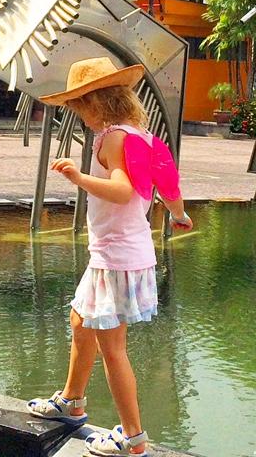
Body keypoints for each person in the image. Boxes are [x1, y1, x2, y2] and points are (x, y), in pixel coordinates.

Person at [26, 57, 193, 457]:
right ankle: (72, 402)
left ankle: (133, 437)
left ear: (95, 102)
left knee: (112, 347)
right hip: (121, 253)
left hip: (115, 257)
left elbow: (122, 190)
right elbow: (168, 186)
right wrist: (180, 215)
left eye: (79, 107)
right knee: (80, 321)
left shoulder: (111, 139)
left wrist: (79, 178)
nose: (79, 116)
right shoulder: (143, 137)